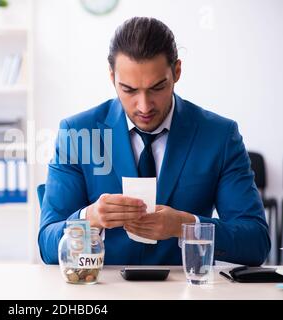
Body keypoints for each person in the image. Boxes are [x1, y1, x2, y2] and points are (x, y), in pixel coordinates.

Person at [38, 17, 270, 266]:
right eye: (129, 90)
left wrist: (185, 226)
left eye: (157, 88)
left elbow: (255, 242)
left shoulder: (219, 136)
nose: (144, 106)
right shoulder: (77, 132)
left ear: (177, 72)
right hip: (102, 293)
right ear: (112, 77)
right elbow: (48, 244)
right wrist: (89, 219)